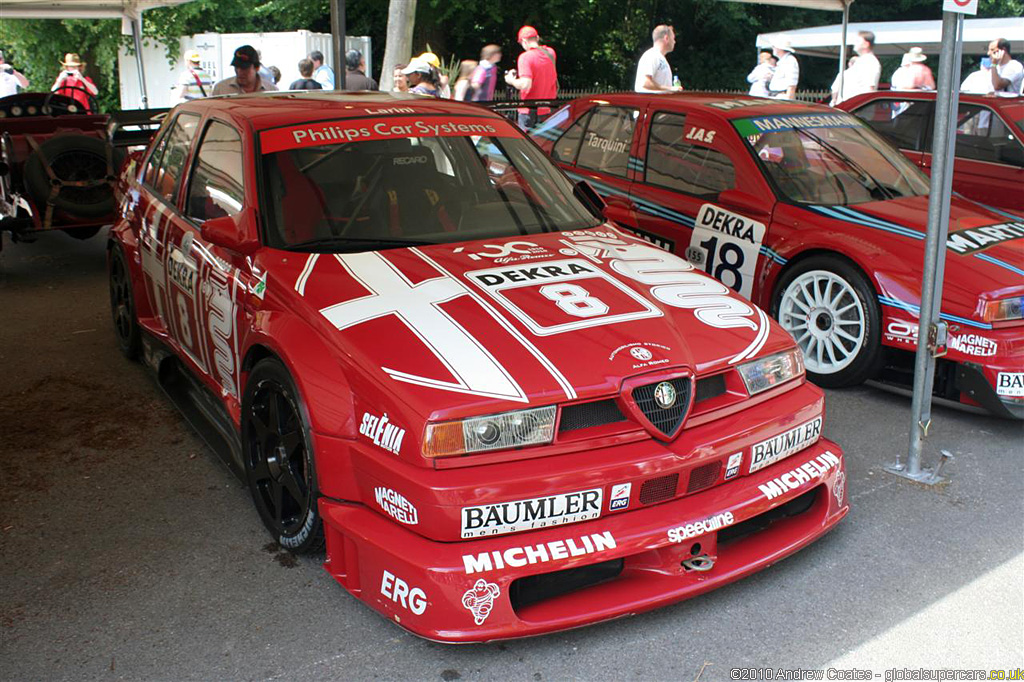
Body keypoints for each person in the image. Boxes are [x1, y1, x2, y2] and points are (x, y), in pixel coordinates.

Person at [505, 25, 558, 129]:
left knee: (527, 144)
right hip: (547, 109)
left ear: (524, 41)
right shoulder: (551, 53)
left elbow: (525, 84)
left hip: (529, 111)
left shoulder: (525, 57)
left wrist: (511, 80)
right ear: (537, 38)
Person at [830, 31, 880, 105]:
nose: (855, 43)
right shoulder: (861, 61)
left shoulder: (869, 62)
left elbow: (869, 89)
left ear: (866, 44)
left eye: (857, 41)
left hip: (856, 110)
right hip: (848, 108)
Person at [212, 45, 277, 96]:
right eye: (236, 67)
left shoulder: (272, 91)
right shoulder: (220, 89)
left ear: (257, 68)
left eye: (244, 68)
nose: (239, 72)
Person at [635, 24, 683, 93]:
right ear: (666, 38)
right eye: (673, 38)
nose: (674, 42)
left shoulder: (660, 58)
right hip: (651, 103)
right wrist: (670, 89)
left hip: (660, 103)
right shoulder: (651, 55)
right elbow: (645, 82)